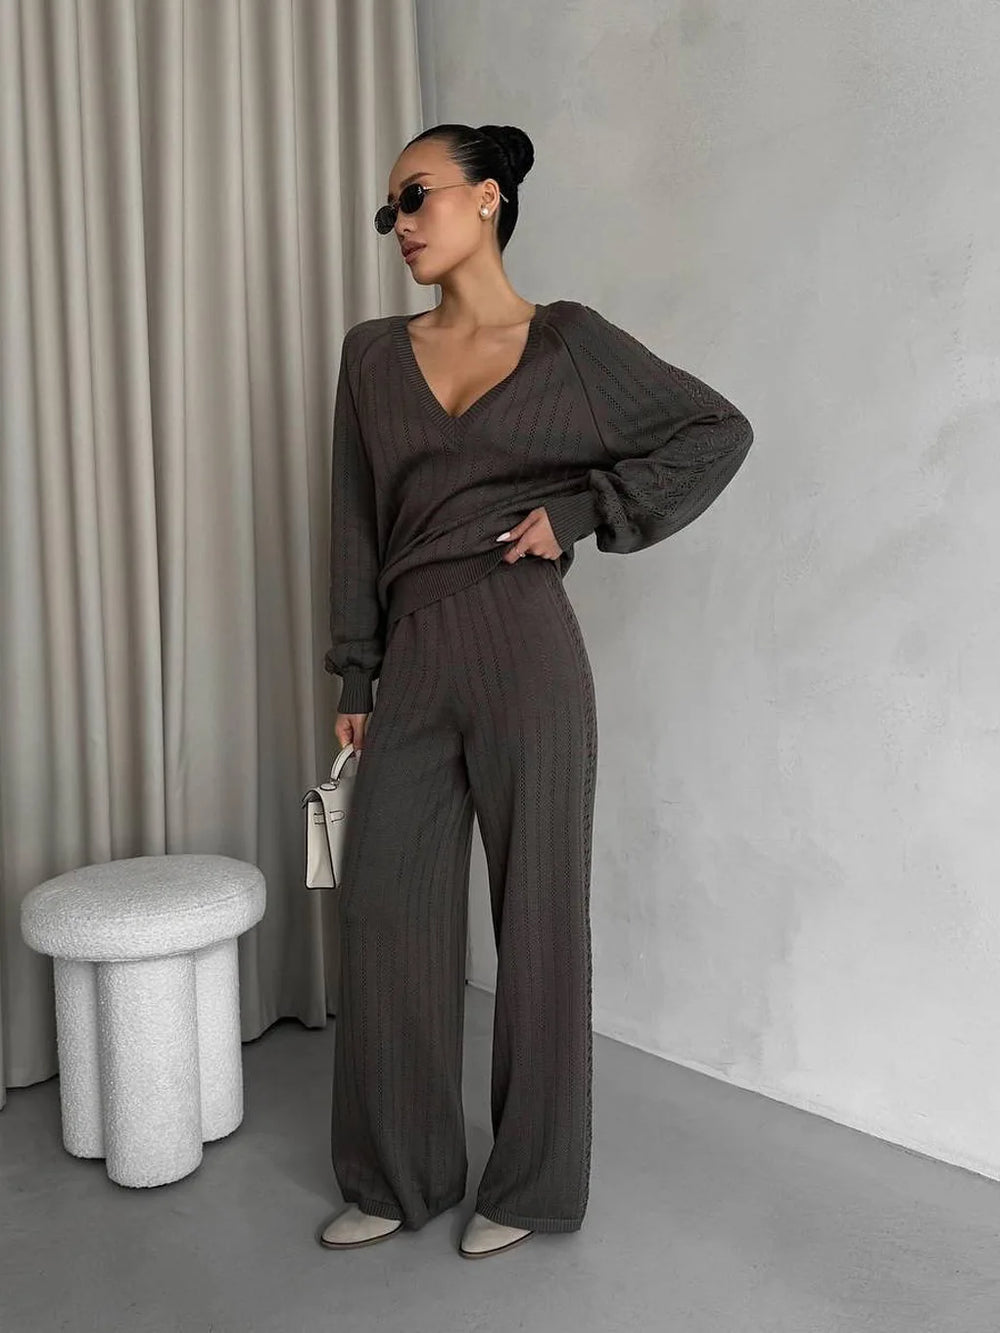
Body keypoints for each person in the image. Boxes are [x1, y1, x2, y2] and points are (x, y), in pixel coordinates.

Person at [317, 123, 754, 1259]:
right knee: (383, 913)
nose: (400, 224)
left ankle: (530, 1185)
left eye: (416, 197)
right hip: (412, 651)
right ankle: (398, 1171)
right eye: (389, 211)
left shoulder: (568, 345)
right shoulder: (370, 354)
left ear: (489, 200)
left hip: (525, 644)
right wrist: (355, 667)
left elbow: (716, 430)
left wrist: (581, 514)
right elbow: (357, 521)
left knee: (540, 919)